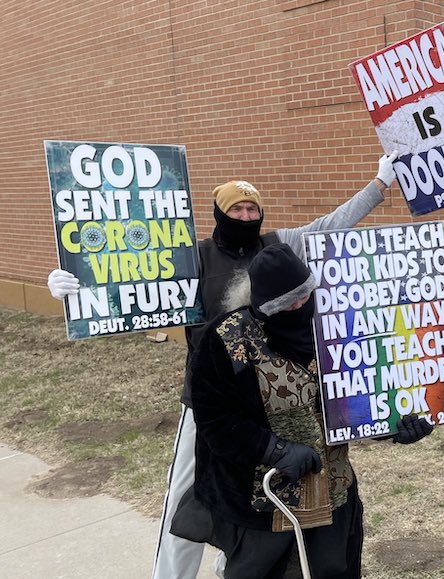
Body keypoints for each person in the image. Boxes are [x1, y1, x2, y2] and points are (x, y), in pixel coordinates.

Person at [45, 151, 398, 579]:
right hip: (211, 398)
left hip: (277, 399)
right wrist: (77, 291)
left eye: (252, 208)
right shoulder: (192, 258)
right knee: (190, 492)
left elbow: (332, 225)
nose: (246, 215)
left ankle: (235, 559)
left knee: (256, 497)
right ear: (219, 211)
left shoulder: (280, 246)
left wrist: (378, 186)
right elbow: (130, 281)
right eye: (236, 208)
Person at [187, 243, 433, 578]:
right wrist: (275, 450)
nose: (300, 306)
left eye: (305, 295)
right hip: (262, 499)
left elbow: (357, 396)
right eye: (288, 303)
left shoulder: (334, 329)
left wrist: (392, 425)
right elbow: (215, 420)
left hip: (333, 487)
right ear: (264, 306)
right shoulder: (227, 339)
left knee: (332, 569)